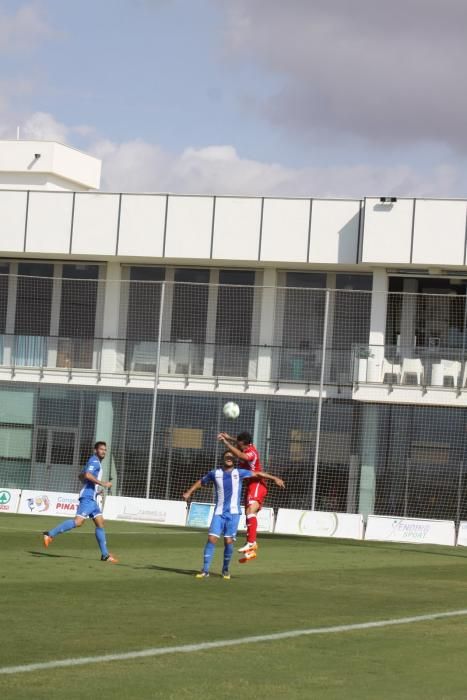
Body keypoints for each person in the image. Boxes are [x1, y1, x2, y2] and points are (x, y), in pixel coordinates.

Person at [183, 450, 285, 579]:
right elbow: (200, 482)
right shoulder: (215, 473)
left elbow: (258, 473)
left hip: (234, 514)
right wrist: (189, 492)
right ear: (223, 459)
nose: (229, 458)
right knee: (211, 539)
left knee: (228, 541)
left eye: (231, 457)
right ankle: (205, 570)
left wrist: (274, 478)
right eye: (226, 456)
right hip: (219, 513)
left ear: (234, 460)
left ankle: (225, 570)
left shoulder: (239, 473)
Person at [42, 441, 118, 563]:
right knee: (78, 522)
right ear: (95, 450)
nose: (104, 451)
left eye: (105, 449)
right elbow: (87, 475)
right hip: (87, 497)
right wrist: (102, 483)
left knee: (100, 523)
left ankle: (105, 555)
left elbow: (81, 476)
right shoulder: (94, 461)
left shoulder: (94, 462)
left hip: (92, 497)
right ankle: (50, 534)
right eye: (101, 449)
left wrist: (96, 490)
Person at [217, 431, 266, 562]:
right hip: (250, 485)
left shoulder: (251, 453)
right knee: (249, 514)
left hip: (257, 484)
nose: (237, 446)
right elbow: (239, 447)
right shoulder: (247, 445)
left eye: (239, 444)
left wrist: (226, 442)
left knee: (250, 511)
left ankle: (251, 543)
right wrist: (230, 438)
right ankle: (250, 550)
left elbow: (241, 455)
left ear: (244, 444)